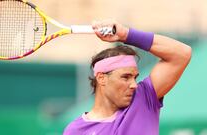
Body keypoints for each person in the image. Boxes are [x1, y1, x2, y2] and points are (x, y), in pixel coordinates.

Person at [63, 20, 192, 135]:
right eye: (125, 77)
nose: (134, 84)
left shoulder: (143, 97)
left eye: (135, 77)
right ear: (101, 78)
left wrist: (126, 35)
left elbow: (182, 53)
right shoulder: (75, 131)